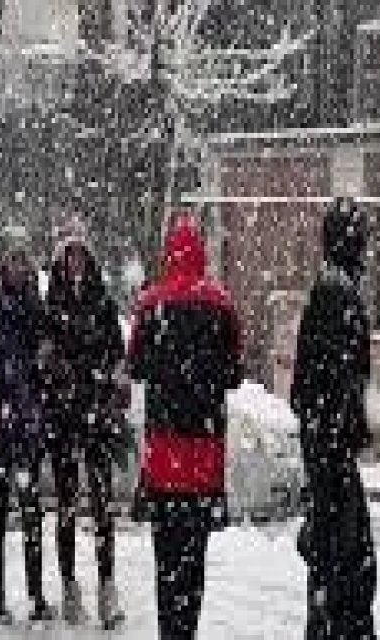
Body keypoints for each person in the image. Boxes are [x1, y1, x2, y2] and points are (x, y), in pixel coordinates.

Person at [128, 214, 241, 640]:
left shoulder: (150, 305)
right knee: (194, 562)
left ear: (169, 254)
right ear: (201, 253)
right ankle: (187, 628)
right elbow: (233, 374)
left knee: (166, 561)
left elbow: (136, 366)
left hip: (163, 456)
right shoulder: (221, 305)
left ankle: (168, 630)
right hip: (204, 458)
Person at [290, 198, 377, 640]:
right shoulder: (338, 298)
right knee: (348, 564)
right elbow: (338, 383)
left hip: (325, 448)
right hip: (331, 453)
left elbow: (306, 388)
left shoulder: (328, 293)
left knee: (336, 564)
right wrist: (350, 427)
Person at [41, 232, 128, 629]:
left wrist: (112, 386)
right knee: (66, 505)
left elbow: (117, 355)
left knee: (103, 504)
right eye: (69, 255)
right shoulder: (52, 305)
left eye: (80, 255)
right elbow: (44, 358)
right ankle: (70, 586)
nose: (75, 262)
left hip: (97, 415)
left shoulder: (103, 302)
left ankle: (107, 587)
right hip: (64, 418)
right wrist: (57, 374)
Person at [0, 232, 51, 625]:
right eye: (12, 260)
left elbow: (42, 368)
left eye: (23, 261)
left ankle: (36, 595)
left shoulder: (35, 308)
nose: (18, 268)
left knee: (30, 515)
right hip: (0, 423)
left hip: (26, 424)